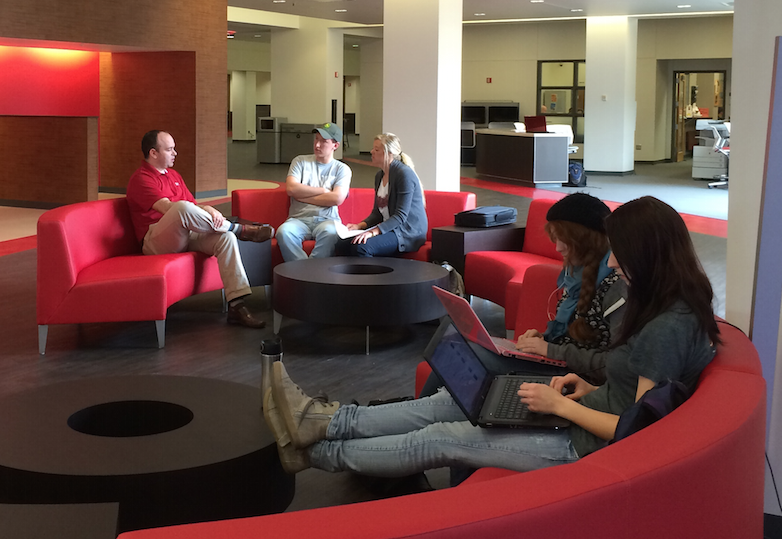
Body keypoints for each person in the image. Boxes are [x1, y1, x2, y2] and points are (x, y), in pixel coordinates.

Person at [263, 196, 719, 477]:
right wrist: (588, 388)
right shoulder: (661, 302)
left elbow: (637, 431)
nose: (614, 264)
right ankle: (324, 423)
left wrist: (563, 405)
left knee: (439, 438)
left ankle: (317, 453)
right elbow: (628, 390)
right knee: (447, 406)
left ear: (647, 254)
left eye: (621, 255)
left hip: (579, 443)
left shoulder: (666, 326)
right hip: (579, 409)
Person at [126, 130, 273, 329]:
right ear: (153, 153)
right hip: (156, 241)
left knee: (225, 238)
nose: (175, 153)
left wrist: (208, 209)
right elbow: (170, 208)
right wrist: (195, 210)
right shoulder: (141, 179)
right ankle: (241, 230)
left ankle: (237, 305)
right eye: (169, 150)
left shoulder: (174, 175)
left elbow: (192, 206)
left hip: (183, 234)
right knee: (181, 208)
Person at [511, 193, 627, 382]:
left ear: (585, 240)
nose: (557, 248)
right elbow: (573, 339)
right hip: (563, 368)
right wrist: (542, 339)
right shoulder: (575, 273)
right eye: (555, 238)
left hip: (582, 381)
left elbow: (615, 365)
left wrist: (551, 350)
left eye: (564, 239)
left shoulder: (618, 284)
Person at [333, 133, 427, 258]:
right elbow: (377, 213)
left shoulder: (404, 174)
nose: (371, 152)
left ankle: (372, 277)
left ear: (389, 154)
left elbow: (400, 216)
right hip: (389, 228)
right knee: (342, 244)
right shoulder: (379, 176)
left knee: (362, 248)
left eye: (377, 150)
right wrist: (359, 226)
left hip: (407, 231)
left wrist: (373, 232)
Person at [276, 123, 352, 261]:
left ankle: (305, 273)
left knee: (332, 232)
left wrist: (302, 196)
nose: (317, 145)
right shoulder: (300, 161)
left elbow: (337, 199)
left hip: (328, 220)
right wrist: (323, 191)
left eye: (323, 141)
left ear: (335, 145)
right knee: (283, 232)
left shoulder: (342, 169)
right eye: (316, 139)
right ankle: (307, 272)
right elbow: (291, 189)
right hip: (298, 219)